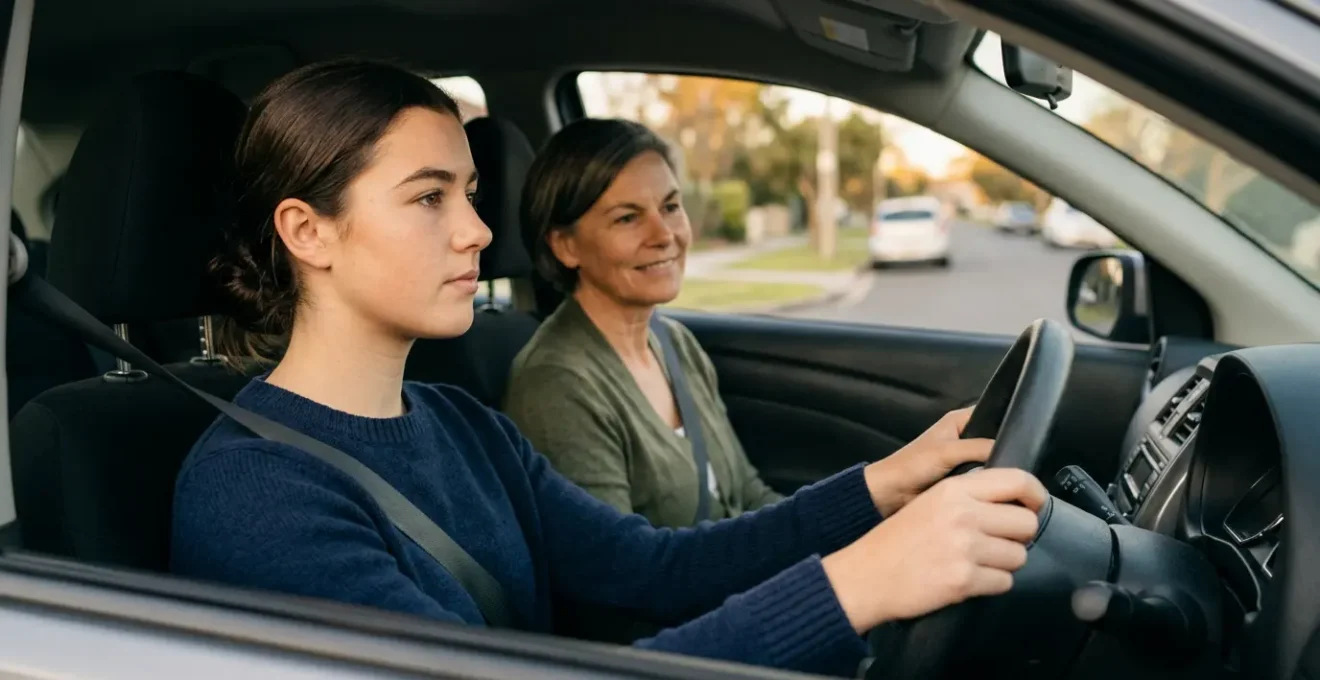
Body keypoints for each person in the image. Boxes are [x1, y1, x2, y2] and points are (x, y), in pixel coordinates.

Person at [170, 59, 1048, 678]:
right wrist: (855, 587)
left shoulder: (463, 424)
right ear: (307, 231)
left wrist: (883, 486)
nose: (476, 230)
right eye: (429, 197)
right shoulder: (254, 493)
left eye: (470, 195)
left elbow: (657, 570)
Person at [504, 119, 782, 528]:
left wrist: (843, 534)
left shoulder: (676, 344)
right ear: (565, 245)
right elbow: (621, 577)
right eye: (627, 218)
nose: (664, 234)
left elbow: (748, 491)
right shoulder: (556, 385)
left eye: (670, 207)